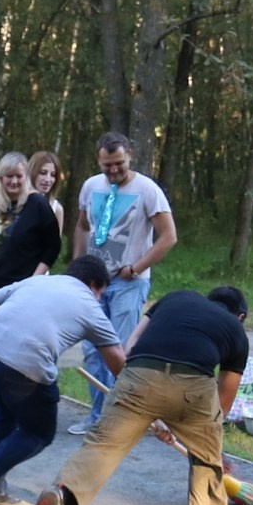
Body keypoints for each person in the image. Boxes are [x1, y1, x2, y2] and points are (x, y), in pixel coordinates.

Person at [23, 284, 251, 505]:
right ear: (240, 316)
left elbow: (130, 345)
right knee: (206, 461)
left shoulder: (175, 297)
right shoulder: (235, 329)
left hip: (139, 374)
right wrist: (192, 431)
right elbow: (223, 401)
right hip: (194, 388)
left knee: (103, 446)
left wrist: (152, 412)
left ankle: (62, 494)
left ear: (207, 300)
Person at [0, 255, 123, 505]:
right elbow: (119, 363)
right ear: (93, 284)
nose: (99, 299)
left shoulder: (32, 283)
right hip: (25, 363)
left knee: (3, 411)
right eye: (101, 293)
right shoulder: (90, 305)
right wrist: (140, 400)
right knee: (39, 432)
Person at [69, 133, 178, 430]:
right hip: (93, 282)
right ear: (98, 161)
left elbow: (168, 237)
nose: (113, 171)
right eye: (107, 166)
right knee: (92, 349)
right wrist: (77, 266)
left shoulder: (147, 190)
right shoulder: (91, 186)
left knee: (119, 350)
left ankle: (127, 418)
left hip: (128, 281)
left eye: (119, 164)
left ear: (129, 155)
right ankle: (98, 416)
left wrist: (136, 267)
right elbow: (81, 226)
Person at [0, 151, 67, 428]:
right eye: (8, 176)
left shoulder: (36, 205)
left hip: (22, 288)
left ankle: (17, 407)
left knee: (18, 348)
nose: (14, 181)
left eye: (18, 176)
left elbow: (52, 247)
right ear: (1, 178)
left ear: (25, 178)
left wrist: (35, 278)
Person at [28, 150, 68, 240]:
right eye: (43, 173)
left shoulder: (56, 209)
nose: (48, 179)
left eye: (53, 175)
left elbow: (54, 246)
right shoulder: (18, 202)